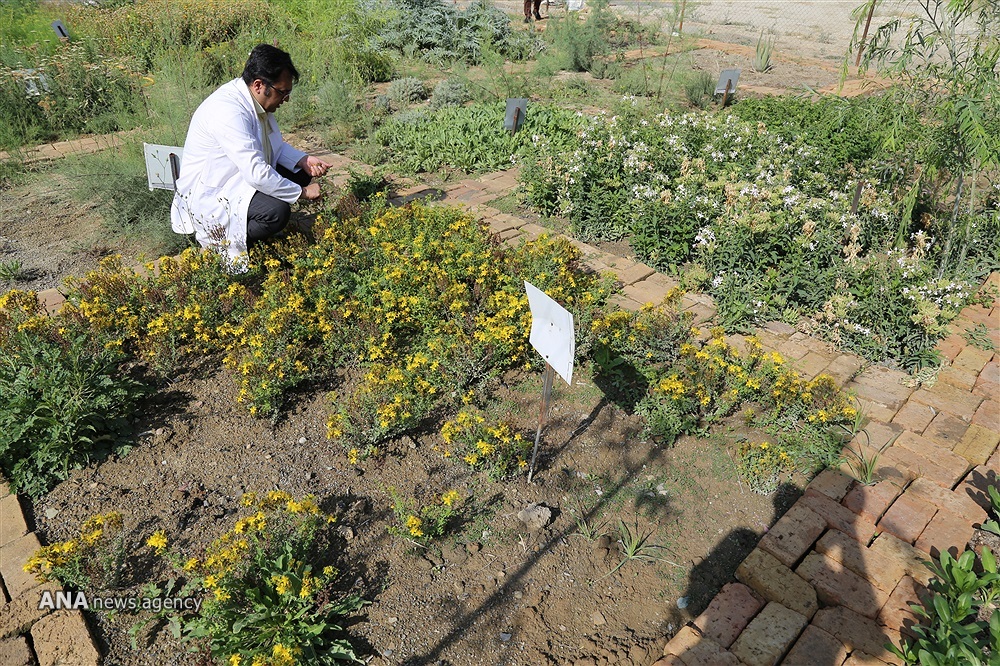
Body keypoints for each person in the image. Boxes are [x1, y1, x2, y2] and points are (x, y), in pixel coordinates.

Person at [171, 44, 331, 267]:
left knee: (300, 172)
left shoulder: (253, 101)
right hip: (213, 192)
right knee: (276, 212)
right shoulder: (228, 111)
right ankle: (223, 244)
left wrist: (302, 160)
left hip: (238, 175)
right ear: (258, 85)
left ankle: (252, 232)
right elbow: (256, 173)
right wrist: (303, 193)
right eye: (282, 92)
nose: (286, 99)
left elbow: (271, 144)